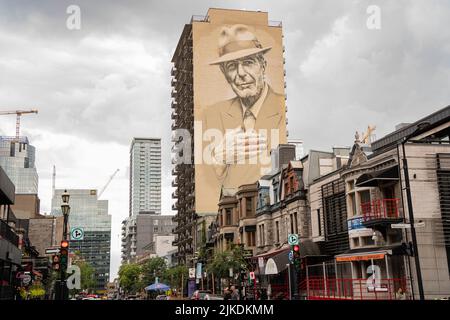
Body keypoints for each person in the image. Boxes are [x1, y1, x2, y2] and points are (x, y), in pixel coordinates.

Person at [201, 24, 287, 201]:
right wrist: (218, 159)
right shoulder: (212, 114)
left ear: (262, 65)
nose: (241, 73)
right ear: (224, 73)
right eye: (232, 66)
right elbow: (208, 186)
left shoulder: (280, 107)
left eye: (248, 62)